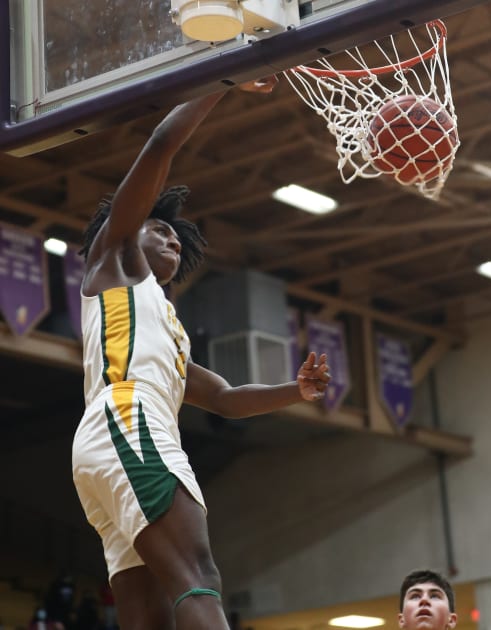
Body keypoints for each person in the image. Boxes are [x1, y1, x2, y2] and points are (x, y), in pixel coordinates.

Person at [71, 77, 332, 630]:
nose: (171, 240)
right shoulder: (111, 259)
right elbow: (162, 145)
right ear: (125, 230)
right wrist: (224, 77)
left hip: (116, 436)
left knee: (151, 615)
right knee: (198, 574)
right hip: (128, 420)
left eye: (176, 239)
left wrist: (297, 389)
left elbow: (227, 399)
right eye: (159, 228)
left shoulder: (163, 327)